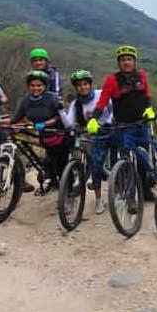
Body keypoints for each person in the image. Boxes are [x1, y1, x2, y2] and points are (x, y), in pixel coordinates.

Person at [86, 45, 157, 201]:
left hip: (142, 124)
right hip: (124, 127)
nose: (126, 62)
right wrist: (94, 118)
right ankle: (130, 196)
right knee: (126, 160)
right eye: (123, 60)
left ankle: (145, 189)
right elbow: (102, 102)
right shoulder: (112, 80)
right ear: (119, 62)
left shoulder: (142, 75)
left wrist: (149, 109)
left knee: (143, 158)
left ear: (134, 61)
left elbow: (147, 95)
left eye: (129, 59)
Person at [60, 69, 113, 214]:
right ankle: (97, 199)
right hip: (89, 137)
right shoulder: (76, 104)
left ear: (90, 84)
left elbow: (113, 110)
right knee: (92, 165)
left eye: (85, 84)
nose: (83, 87)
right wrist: (60, 111)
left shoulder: (101, 95)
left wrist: (107, 123)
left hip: (106, 133)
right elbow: (69, 123)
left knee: (111, 161)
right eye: (79, 85)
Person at [11, 70, 68, 193]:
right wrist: (3, 124)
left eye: (39, 85)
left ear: (45, 86)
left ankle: (68, 192)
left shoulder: (52, 98)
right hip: (44, 136)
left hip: (59, 134)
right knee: (48, 161)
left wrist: (44, 124)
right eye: (32, 85)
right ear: (28, 86)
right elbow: (16, 118)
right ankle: (52, 182)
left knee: (61, 166)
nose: (35, 88)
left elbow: (60, 116)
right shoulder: (26, 101)